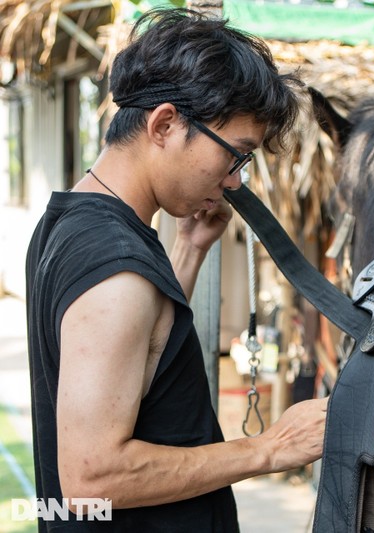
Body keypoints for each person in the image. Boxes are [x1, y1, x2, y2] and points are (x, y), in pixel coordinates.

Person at [25, 8, 327, 531]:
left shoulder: (71, 222)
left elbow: (140, 364)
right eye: (235, 155)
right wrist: (269, 449)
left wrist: (187, 252)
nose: (235, 181)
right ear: (165, 124)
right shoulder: (117, 271)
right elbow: (91, 480)